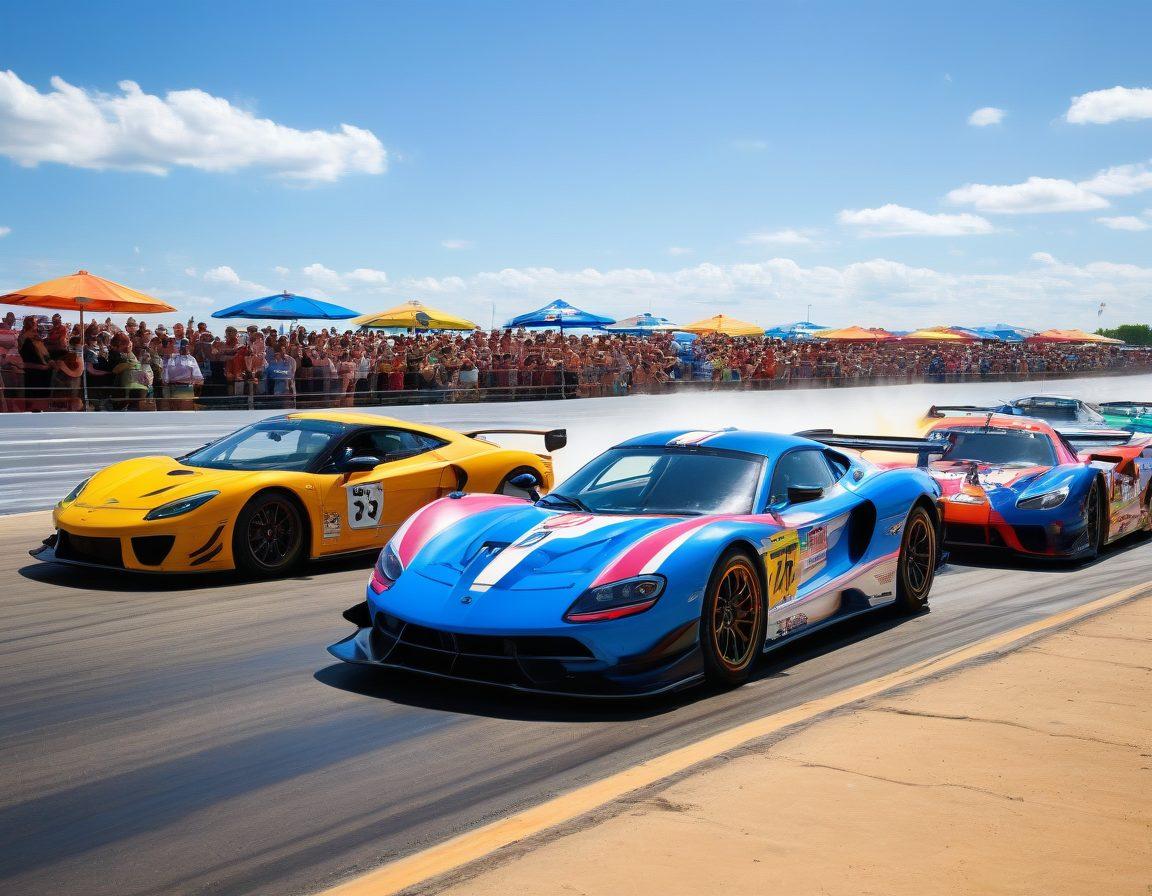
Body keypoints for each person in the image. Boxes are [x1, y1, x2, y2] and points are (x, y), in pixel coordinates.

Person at [162, 341, 204, 410]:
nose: (184, 348)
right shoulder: (171, 358)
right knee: (172, 412)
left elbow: (198, 378)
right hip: (171, 388)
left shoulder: (192, 359)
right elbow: (165, 376)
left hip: (186, 388)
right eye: (182, 346)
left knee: (186, 412)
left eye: (186, 346)